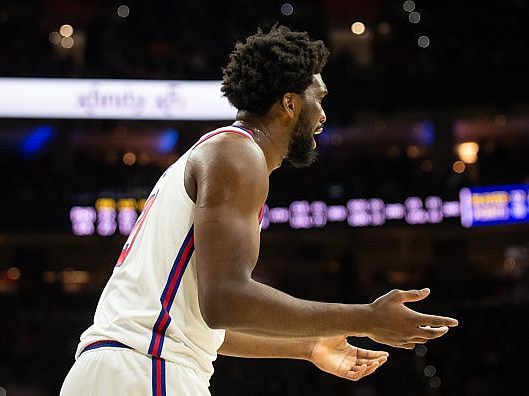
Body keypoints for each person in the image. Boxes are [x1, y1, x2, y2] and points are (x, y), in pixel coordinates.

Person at [61, 24, 458, 396]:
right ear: (288, 103)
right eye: (317, 100)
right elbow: (226, 302)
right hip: (146, 369)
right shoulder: (238, 154)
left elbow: (204, 319)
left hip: (118, 369)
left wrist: (308, 347)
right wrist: (365, 318)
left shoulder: (217, 154)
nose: (322, 116)